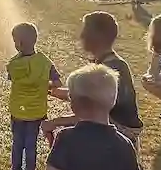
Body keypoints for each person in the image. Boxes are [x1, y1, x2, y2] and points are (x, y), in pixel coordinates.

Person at [44, 12, 144, 152]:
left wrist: (55, 122)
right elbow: (86, 94)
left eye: (85, 30)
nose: (82, 36)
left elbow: (92, 112)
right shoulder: (111, 63)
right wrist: (50, 90)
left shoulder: (110, 68)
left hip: (121, 134)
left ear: (97, 36)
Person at [7, 23, 61, 170]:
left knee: (17, 143)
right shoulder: (45, 62)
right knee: (31, 145)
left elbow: (12, 79)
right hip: (36, 112)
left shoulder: (13, 64)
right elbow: (57, 83)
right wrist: (46, 84)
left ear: (20, 43)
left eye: (15, 41)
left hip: (17, 111)